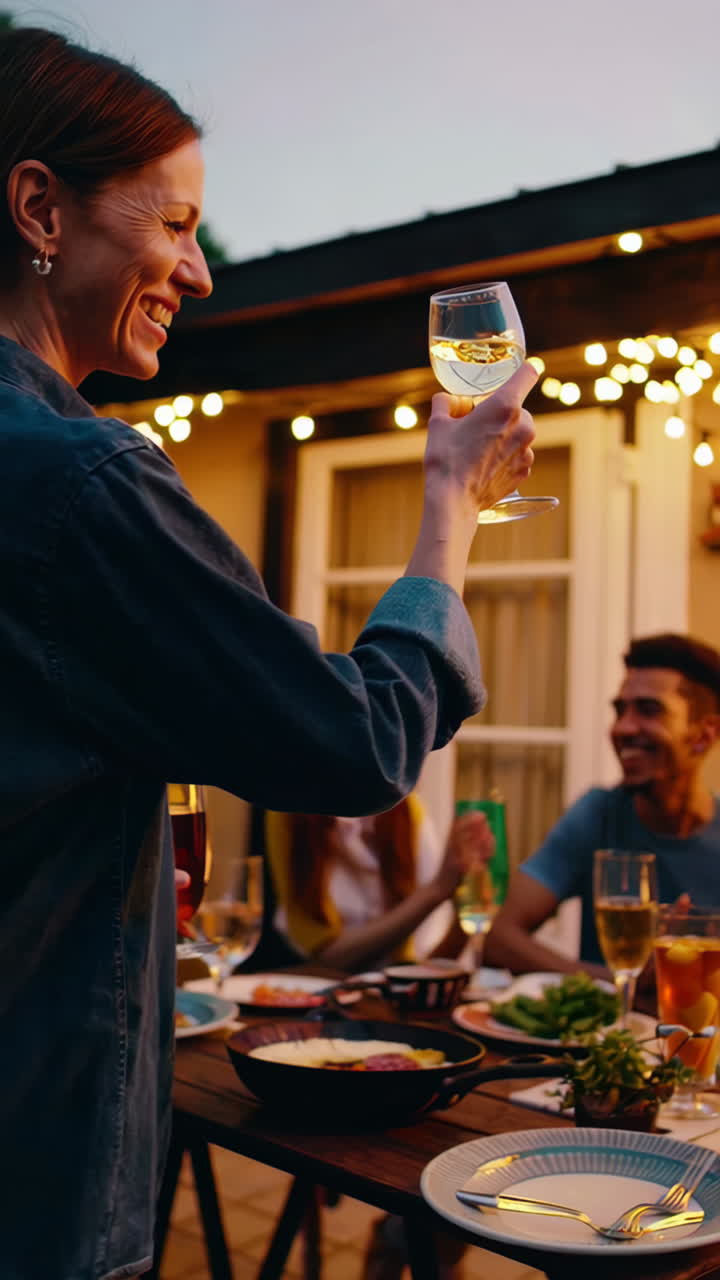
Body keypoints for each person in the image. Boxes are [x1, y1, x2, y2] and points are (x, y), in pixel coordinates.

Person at [0, 26, 536, 1280]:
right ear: (40, 208)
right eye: (176, 223)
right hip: (35, 1165)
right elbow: (351, 740)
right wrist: (450, 506)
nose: (198, 272)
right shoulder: (79, 481)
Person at [484, 633, 720, 976]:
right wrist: (624, 983)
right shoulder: (598, 814)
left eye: (649, 710)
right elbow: (498, 939)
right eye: (620, 710)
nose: (623, 728)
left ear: (703, 735)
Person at [265, 799, 493, 972]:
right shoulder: (291, 811)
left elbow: (419, 968)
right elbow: (328, 959)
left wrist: (464, 913)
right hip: (308, 986)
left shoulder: (406, 811)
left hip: (387, 995)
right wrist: (436, 891)